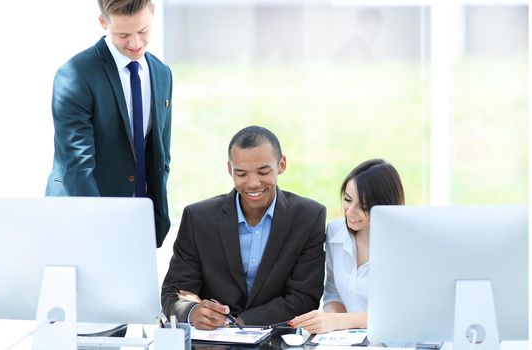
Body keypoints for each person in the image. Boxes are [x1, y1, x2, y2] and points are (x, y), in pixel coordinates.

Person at [161, 125, 327, 330]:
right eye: (241, 174)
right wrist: (193, 312)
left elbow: (304, 297)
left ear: (281, 164)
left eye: (263, 171)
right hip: (211, 342)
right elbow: (174, 293)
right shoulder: (198, 218)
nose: (253, 183)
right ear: (230, 169)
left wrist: (241, 323)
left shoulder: (309, 217)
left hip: (275, 340)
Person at [45, 0, 172, 247]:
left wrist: (156, 218)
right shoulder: (75, 75)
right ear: (103, 22)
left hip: (137, 219)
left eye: (143, 31)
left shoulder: (162, 73)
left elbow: (161, 155)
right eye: (123, 34)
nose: (135, 43)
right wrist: (101, 231)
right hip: (80, 220)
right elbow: (77, 166)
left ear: (153, 12)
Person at [290, 159, 405, 334]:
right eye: (348, 200)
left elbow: (400, 313)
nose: (350, 212)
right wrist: (328, 320)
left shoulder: (404, 246)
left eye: (364, 206)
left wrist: (338, 321)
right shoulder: (335, 232)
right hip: (350, 341)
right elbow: (333, 293)